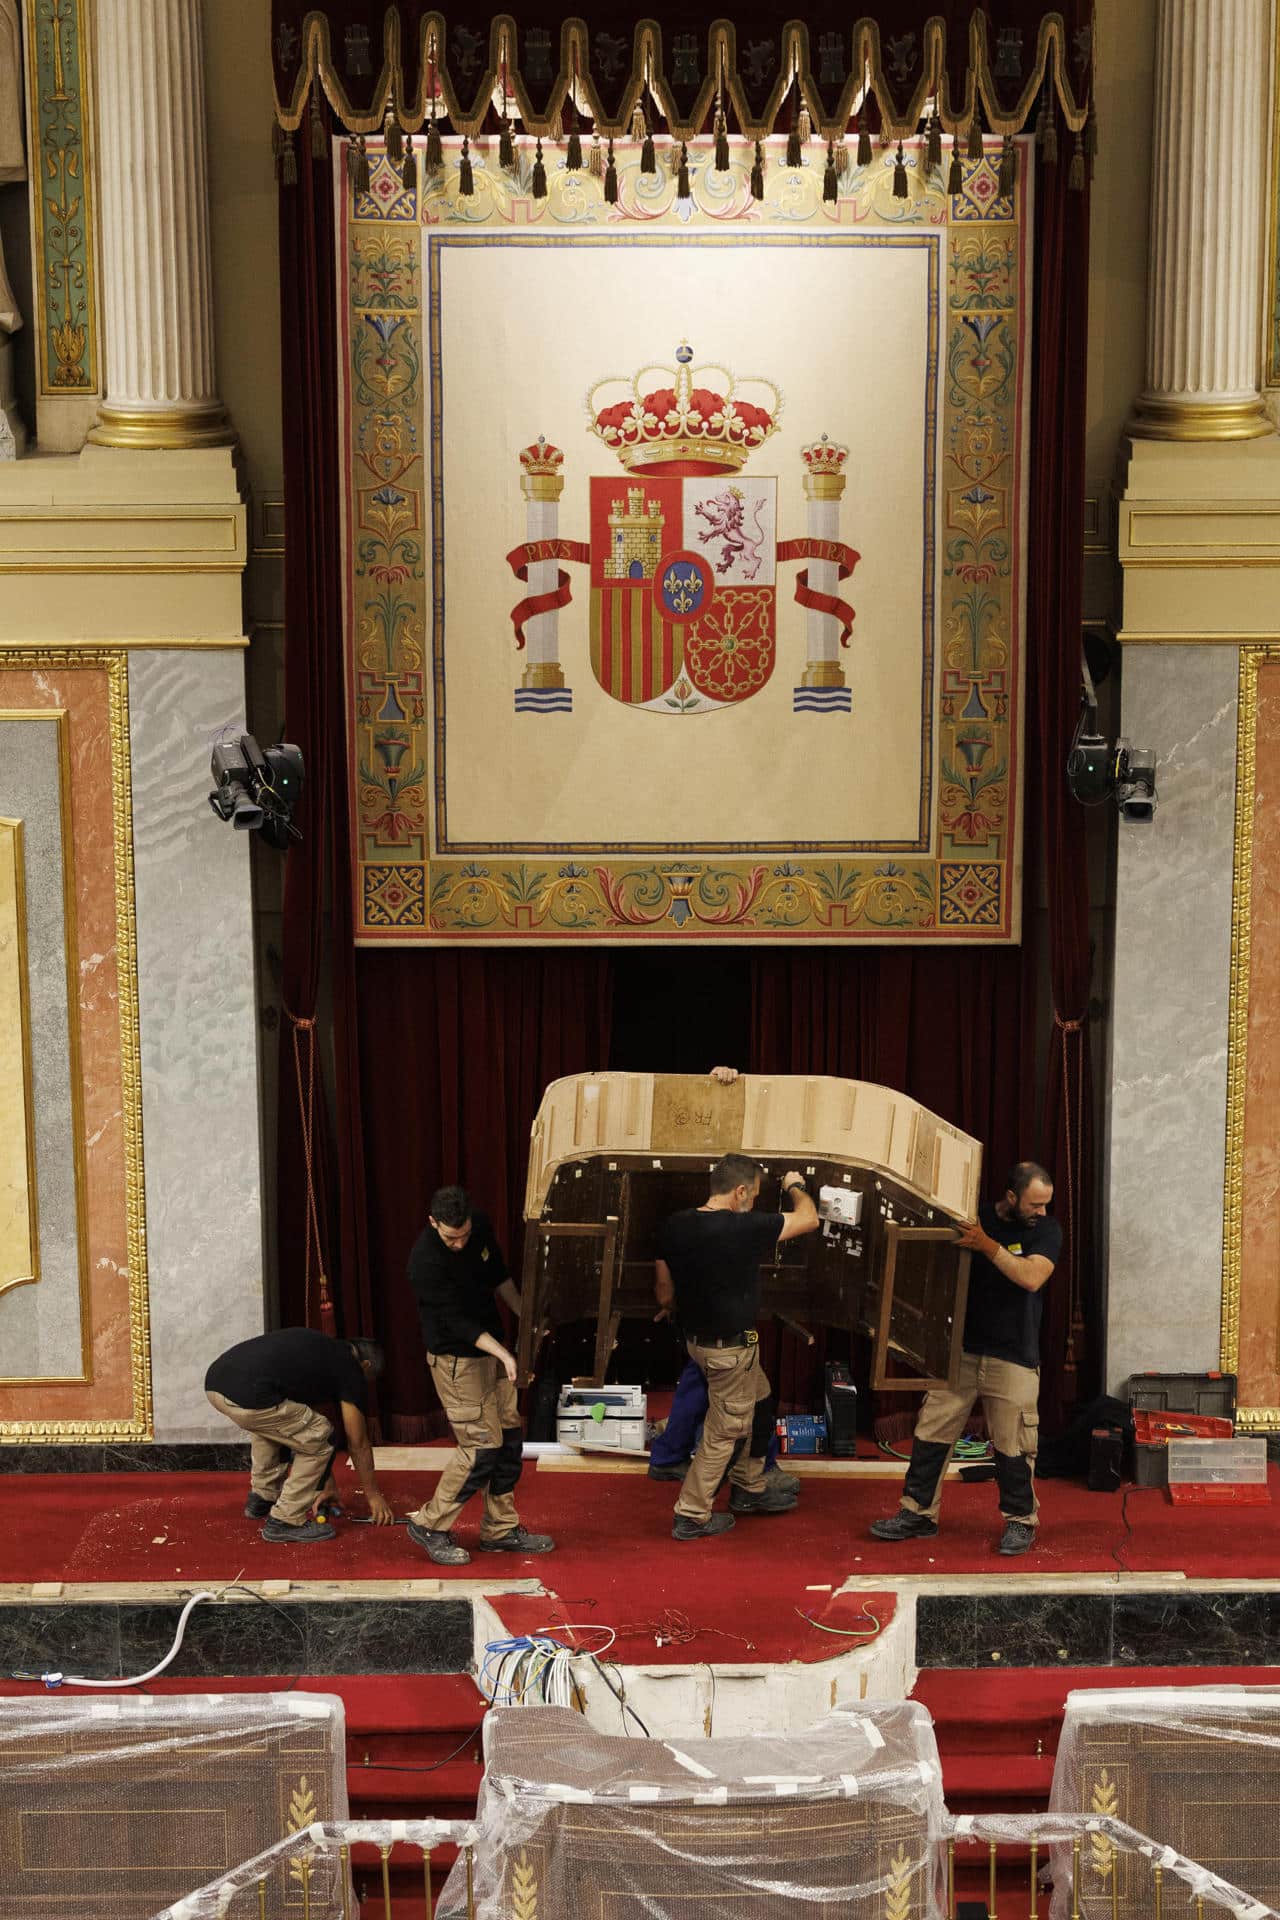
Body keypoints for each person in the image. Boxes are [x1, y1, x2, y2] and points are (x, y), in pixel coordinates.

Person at [869, 1160, 1062, 1557]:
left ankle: (1019, 1521)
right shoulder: (972, 1219)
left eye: (1046, 1204)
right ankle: (918, 1513)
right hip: (961, 1352)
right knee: (930, 1432)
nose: (1042, 1211)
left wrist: (986, 1245)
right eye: (1035, 1204)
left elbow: (1031, 1277)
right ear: (1011, 1197)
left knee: (1013, 1444)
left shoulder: (1046, 1230)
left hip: (1014, 1357)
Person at [655, 1154, 820, 1540]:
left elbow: (664, 1292)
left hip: (703, 1344)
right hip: (729, 1352)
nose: (754, 1203)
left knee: (760, 1400)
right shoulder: (743, 1227)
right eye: (754, 1195)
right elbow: (809, 1218)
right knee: (724, 1432)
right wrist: (795, 1186)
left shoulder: (675, 1225)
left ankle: (749, 1485)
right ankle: (692, 1515)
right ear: (740, 1190)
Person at [405, 1184, 554, 1567]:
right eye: (452, 1237)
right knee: (481, 1448)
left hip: (493, 1353)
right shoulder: (425, 1262)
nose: (460, 1243)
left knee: (508, 1441)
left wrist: (525, 1318)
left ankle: (500, 1530)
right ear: (432, 1222)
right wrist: (506, 1354)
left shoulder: (479, 1227)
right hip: (457, 1361)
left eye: (466, 1235)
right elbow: (456, 1323)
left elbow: (498, 1275)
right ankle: (430, 1525)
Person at [205, 1328, 394, 1543]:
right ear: (366, 1366)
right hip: (249, 1394)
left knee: (277, 1424)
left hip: (216, 1383)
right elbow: (357, 1443)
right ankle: (286, 1519)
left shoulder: (319, 1353)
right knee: (322, 1436)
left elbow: (300, 1431)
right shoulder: (350, 1368)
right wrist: (373, 1496)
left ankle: (262, 1498)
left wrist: (325, 1485)